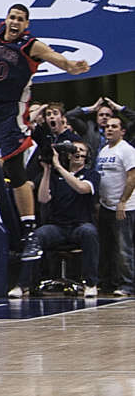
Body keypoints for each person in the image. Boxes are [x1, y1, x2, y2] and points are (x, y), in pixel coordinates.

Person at [0, 4, 90, 261]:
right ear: (6, 18)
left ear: (26, 24)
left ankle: (29, 233)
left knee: (14, 168)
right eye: (12, 16)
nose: (15, 22)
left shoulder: (30, 45)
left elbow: (54, 56)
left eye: (20, 19)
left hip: (10, 110)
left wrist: (70, 65)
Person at [16, 141, 100, 298]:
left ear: (86, 156)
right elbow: (42, 198)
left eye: (81, 150)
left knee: (90, 233)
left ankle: (91, 283)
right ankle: (23, 285)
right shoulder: (56, 176)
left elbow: (82, 188)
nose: (77, 153)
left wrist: (59, 167)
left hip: (80, 225)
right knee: (36, 235)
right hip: (58, 227)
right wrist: (47, 170)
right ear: (68, 155)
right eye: (74, 150)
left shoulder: (91, 174)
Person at [94, 116, 135, 297]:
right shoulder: (103, 150)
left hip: (124, 207)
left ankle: (128, 285)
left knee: (123, 248)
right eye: (107, 127)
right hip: (105, 206)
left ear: (122, 131)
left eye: (114, 126)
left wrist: (123, 201)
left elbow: (132, 177)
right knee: (107, 247)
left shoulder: (126, 150)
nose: (109, 129)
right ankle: (109, 282)